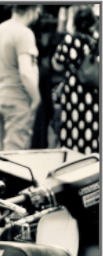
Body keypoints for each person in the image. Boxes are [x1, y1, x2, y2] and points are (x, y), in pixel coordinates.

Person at [0, 5, 42, 150]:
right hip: (16, 101)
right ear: (32, 10)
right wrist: (36, 98)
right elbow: (26, 72)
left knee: (2, 157)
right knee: (15, 159)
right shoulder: (24, 33)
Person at [52, 5, 99, 155]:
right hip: (93, 96)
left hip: (73, 96)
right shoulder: (96, 42)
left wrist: (71, 67)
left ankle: (71, 164)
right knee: (91, 130)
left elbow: (56, 65)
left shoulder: (68, 40)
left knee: (71, 129)